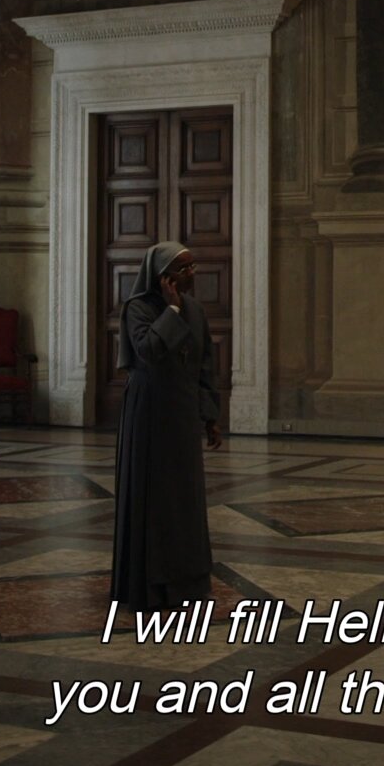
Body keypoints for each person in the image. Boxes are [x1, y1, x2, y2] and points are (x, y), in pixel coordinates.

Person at [111, 240, 223, 612]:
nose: (192, 274)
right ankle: (151, 588)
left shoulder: (196, 309)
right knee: (154, 498)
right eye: (183, 268)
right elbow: (148, 351)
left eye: (193, 266)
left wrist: (210, 416)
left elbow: (204, 365)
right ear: (163, 276)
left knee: (184, 500)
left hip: (183, 412)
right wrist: (171, 310)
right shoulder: (138, 308)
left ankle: (187, 584)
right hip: (149, 412)